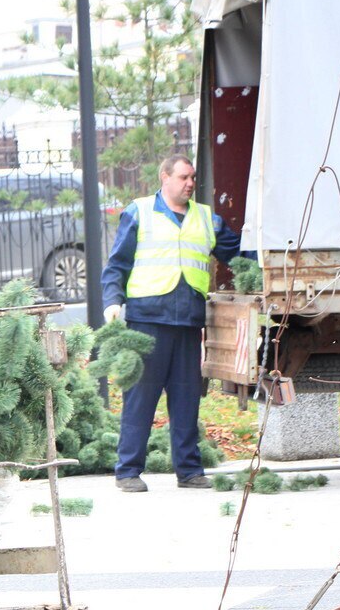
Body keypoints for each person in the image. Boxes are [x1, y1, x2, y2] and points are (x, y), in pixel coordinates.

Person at [101, 154, 242, 493]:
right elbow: (117, 264)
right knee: (140, 399)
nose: (190, 183)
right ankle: (128, 471)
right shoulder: (140, 212)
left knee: (186, 400)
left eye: (192, 177)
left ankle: (190, 471)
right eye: (183, 177)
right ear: (164, 177)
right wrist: (112, 301)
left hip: (188, 322)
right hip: (147, 322)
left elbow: (238, 254)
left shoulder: (207, 219)